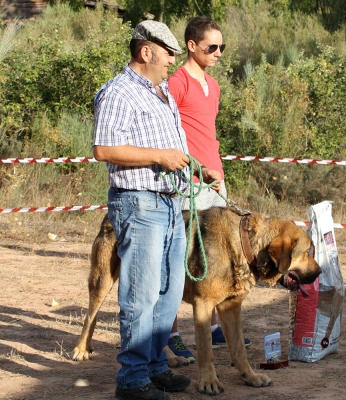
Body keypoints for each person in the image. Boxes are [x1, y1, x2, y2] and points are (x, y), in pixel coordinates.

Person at [92, 20, 221, 400]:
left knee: (168, 293)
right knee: (141, 295)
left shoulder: (161, 90)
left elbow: (173, 149)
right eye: (167, 54)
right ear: (146, 51)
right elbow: (104, 149)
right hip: (140, 202)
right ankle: (132, 381)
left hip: (169, 202)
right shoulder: (118, 92)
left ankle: (154, 367)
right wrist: (159, 157)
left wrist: (198, 168)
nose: (171, 62)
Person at [165, 16, 250, 363]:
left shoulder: (212, 86)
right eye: (211, 47)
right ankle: (169, 333)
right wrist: (194, 169)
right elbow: (167, 134)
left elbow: (208, 134)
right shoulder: (177, 82)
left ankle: (213, 328)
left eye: (221, 47)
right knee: (182, 261)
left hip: (215, 182)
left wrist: (219, 175)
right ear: (191, 46)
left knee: (218, 261)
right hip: (188, 182)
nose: (218, 53)